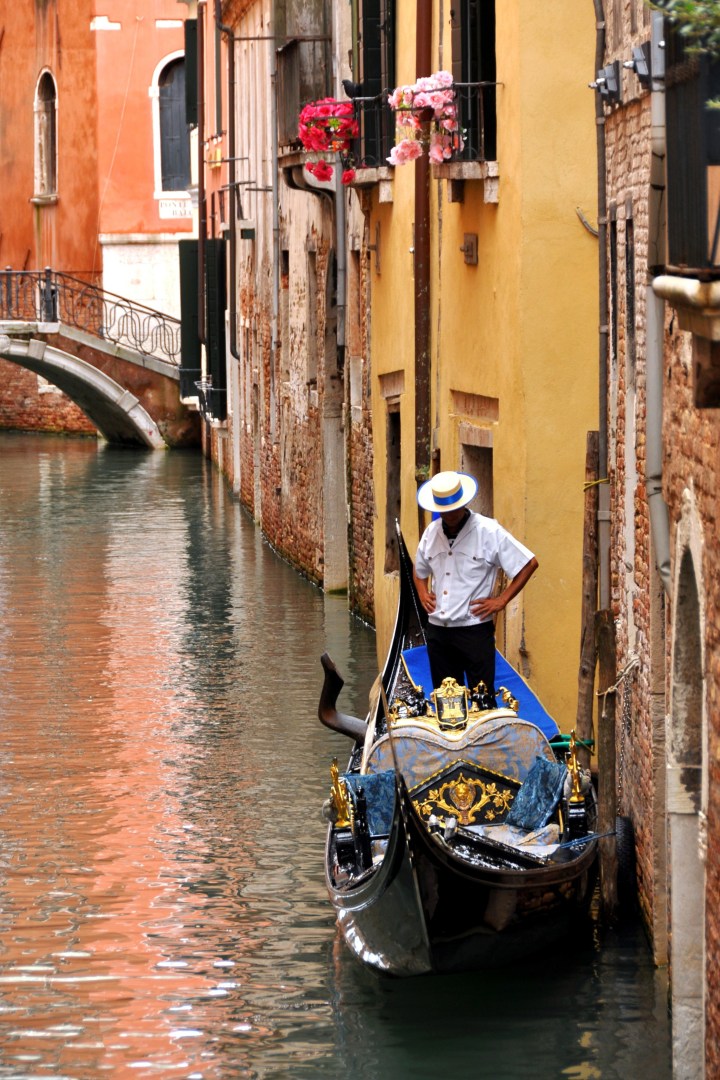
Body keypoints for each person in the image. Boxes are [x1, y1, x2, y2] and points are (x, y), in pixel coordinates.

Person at [413, 470, 539, 704]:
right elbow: (419, 570)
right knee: (447, 705)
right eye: (444, 510)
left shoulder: (488, 530)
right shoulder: (431, 533)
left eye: (453, 508)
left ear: (463, 504)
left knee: (483, 702)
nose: (449, 514)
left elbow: (528, 563)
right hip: (438, 631)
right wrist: (422, 593)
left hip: (474, 630)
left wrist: (501, 600)